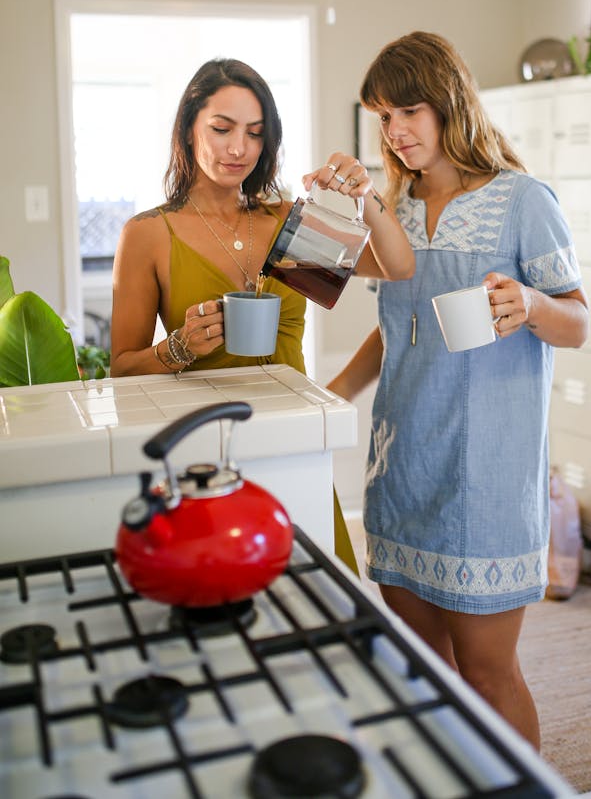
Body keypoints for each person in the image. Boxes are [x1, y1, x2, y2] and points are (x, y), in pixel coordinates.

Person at [327, 32, 588, 748]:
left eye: (409, 110)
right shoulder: (392, 205)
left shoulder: (522, 200)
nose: (396, 131)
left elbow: (579, 322)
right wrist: (329, 396)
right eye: (382, 116)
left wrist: (530, 305)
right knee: (427, 674)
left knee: (486, 672)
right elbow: (395, 326)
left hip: (486, 481)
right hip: (403, 465)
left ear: (449, 103)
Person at [110, 58, 415, 574]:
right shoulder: (147, 234)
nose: (238, 148)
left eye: (254, 133)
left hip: (295, 441)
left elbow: (398, 265)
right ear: (188, 129)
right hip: (206, 453)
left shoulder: (285, 220)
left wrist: (365, 197)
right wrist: (179, 347)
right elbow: (121, 368)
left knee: (321, 601)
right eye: (222, 128)